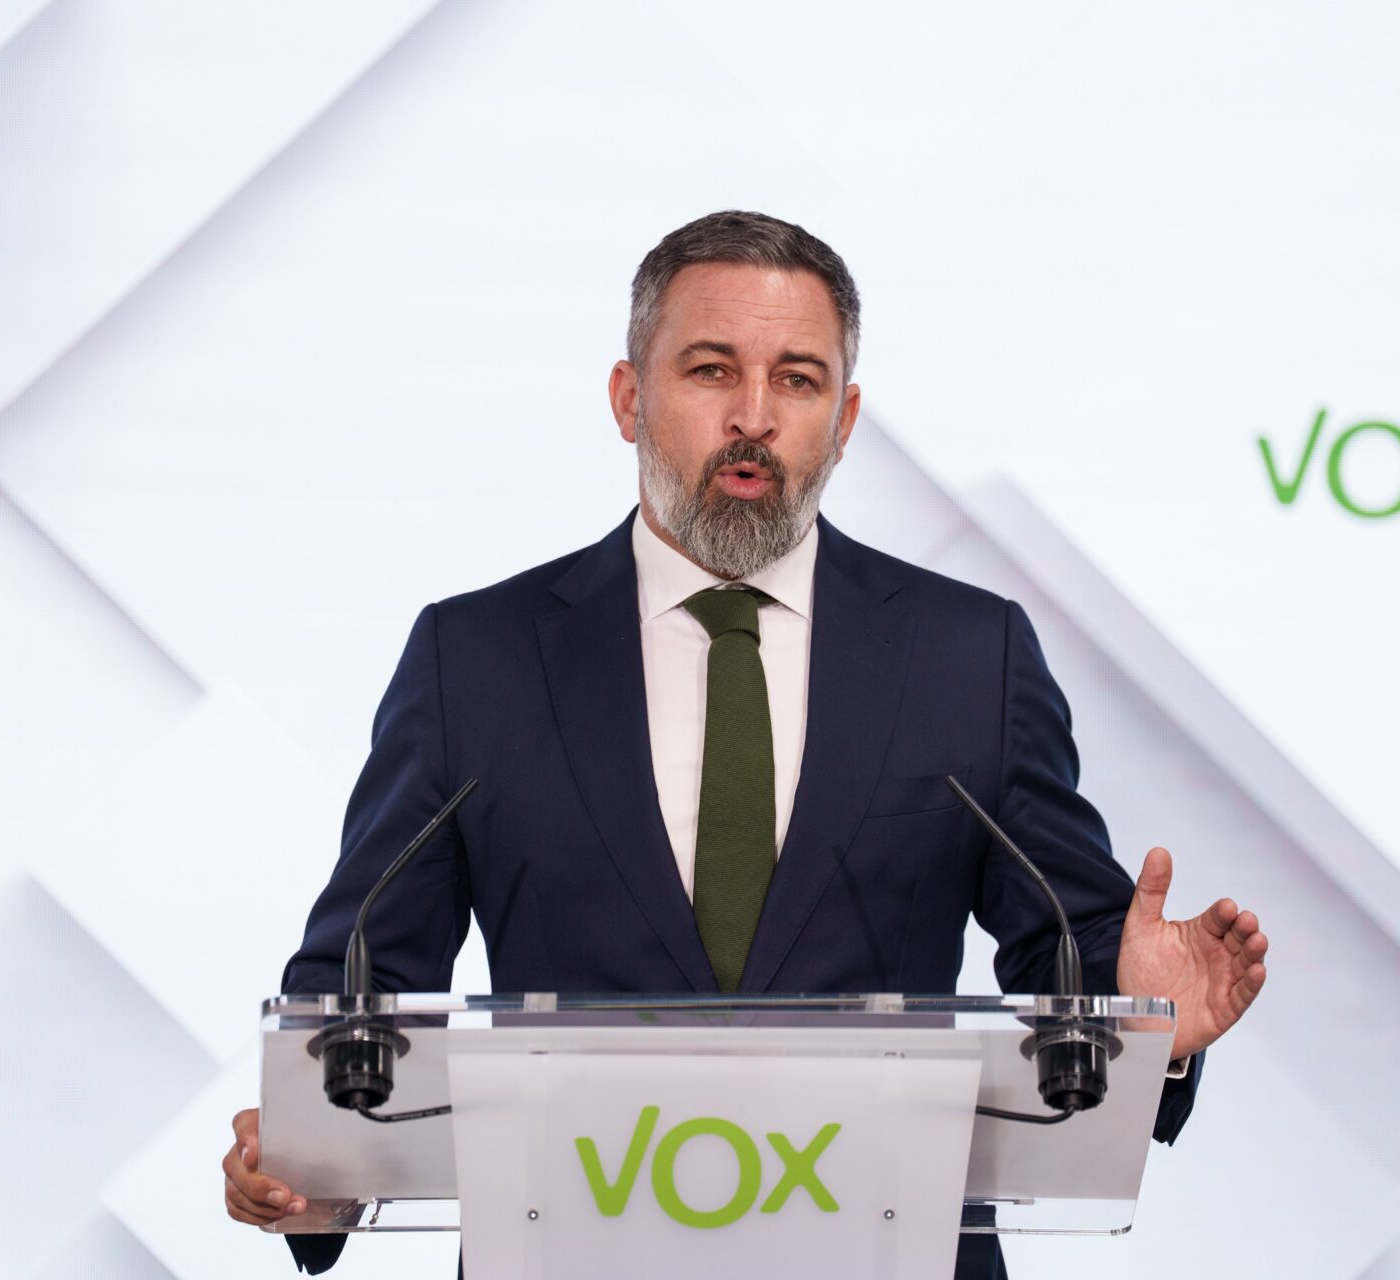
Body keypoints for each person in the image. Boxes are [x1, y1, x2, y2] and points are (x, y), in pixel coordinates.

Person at [221, 211, 1269, 1277]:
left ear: (844, 418)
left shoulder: (969, 655)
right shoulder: (476, 658)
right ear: (630, 398)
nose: (754, 416)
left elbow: (1067, 950)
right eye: (712, 370)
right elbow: (360, 978)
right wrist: (313, 1164)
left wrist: (1143, 1013)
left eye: (798, 380)